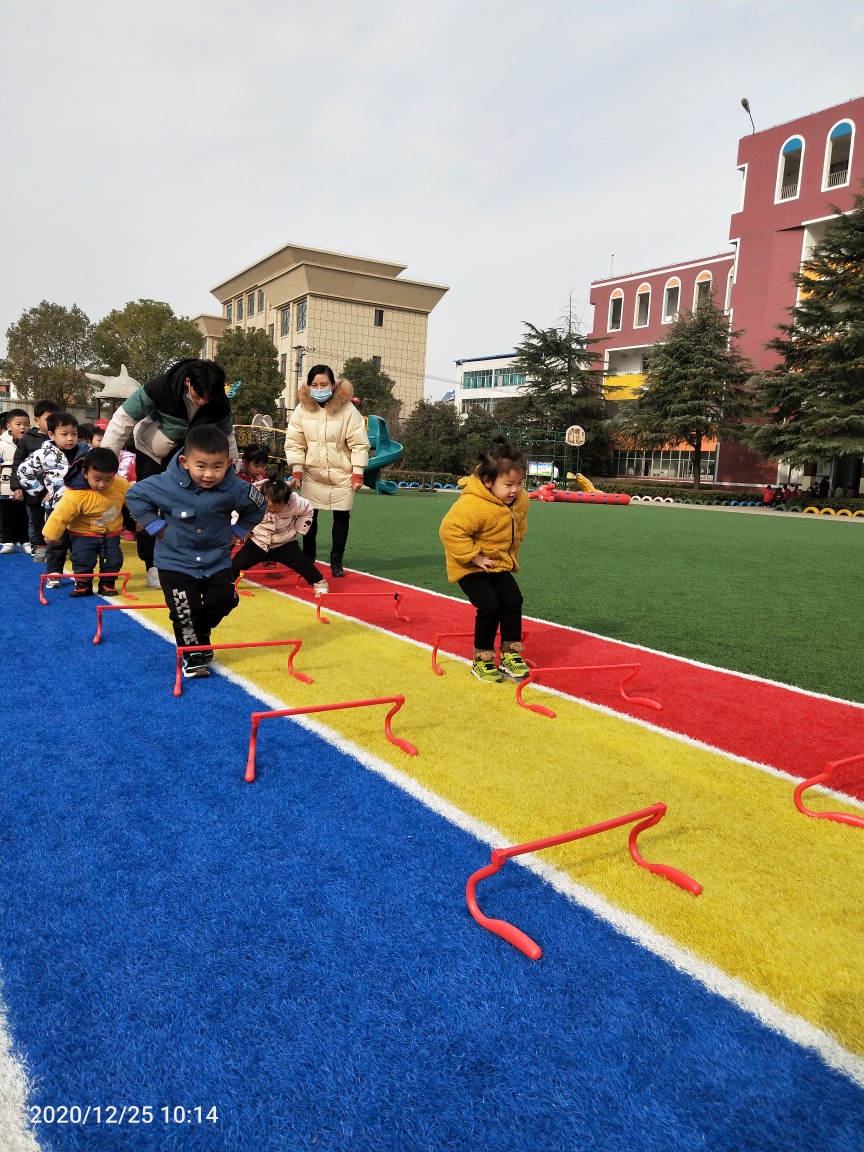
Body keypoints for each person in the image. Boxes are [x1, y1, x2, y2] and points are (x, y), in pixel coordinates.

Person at [126, 424, 266, 679]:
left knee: (223, 600)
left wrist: (237, 533)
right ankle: (193, 654)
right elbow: (134, 495)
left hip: (216, 561)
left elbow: (257, 507)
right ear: (185, 462)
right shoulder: (166, 484)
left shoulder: (235, 488)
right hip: (174, 562)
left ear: (229, 463)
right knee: (184, 612)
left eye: (217, 467)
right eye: (201, 466)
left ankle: (200, 634)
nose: (209, 474)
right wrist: (158, 528)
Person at [100, 359, 238, 589]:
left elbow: (227, 435)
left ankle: (187, 561)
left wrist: (232, 469)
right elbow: (123, 419)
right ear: (187, 382)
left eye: (209, 398)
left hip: (190, 459)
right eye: (198, 395)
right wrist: (106, 459)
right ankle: (152, 566)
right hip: (152, 452)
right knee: (149, 506)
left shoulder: (218, 401)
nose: (203, 402)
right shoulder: (159, 387)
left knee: (188, 507)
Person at [439, 436, 531, 684]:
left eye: (520, 483)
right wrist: (474, 556)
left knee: (512, 599)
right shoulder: (473, 504)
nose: (515, 490)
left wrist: (515, 544)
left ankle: (511, 654)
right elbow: (449, 530)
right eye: (508, 484)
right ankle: (482, 659)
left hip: (497, 562)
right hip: (469, 565)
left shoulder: (520, 499)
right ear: (488, 482)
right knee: (490, 606)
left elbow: (520, 522)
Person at [284, 365, 369, 579]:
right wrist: (297, 470)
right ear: (308, 386)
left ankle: (336, 559)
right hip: (313, 472)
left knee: (341, 515)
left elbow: (359, 443)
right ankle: (308, 555)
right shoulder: (302, 410)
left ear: (333, 385)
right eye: (315, 385)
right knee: (309, 514)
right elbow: (295, 442)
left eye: (324, 384)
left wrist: (358, 472)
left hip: (342, 473)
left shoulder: (348, 410)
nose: (319, 389)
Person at [42, 448, 131, 597]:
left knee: (113, 559)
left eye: (108, 480)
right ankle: (83, 584)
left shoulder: (122, 486)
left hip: (111, 533)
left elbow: (135, 503)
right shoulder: (75, 494)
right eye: (97, 479)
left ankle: (108, 584)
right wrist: (51, 535)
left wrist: (141, 520)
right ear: (85, 473)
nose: (102, 485)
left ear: (114, 475)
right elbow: (61, 515)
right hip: (83, 534)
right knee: (82, 559)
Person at [17, 413, 89, 585]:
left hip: (83, 508)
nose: (70, 438)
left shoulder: (87, 452)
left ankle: (81, 576)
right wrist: (41, 492)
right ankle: (54, 573)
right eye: (64, 434)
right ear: (51, 434)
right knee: (56, 542)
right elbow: (23, 472)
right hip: (56, 507)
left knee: (82, 544)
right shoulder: (43, 454)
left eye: (74, 433)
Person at [231, 474, 328, 596]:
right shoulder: (251, 499)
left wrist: (299, 528)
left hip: (285, 542)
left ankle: (320, 583)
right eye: (268, 508)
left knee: (303, 564)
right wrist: (244, 529)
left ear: (287, 501)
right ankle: (225, 583)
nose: (271, 510)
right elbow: (237, 512)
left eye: (276, 509)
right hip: (259, 541)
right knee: (236, 563)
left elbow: (308, 510)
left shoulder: (295, 502)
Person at [10, 398, 60, 561]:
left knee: (57, 518)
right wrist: (17, 486)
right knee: (37, 519)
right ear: (37, 420)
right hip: (35, 490)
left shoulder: (60, 438)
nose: (53, 423)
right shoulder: (27, 440)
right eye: (49, 419)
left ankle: (58, 547)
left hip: (56, 489)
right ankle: (40, 547)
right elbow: (18, 464)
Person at [0, 408, 31, 553]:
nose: (22, 427)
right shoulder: (2, 444)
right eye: (18, 424)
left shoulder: (31, 443)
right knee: (7, 516)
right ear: (9, 426)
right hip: (5, 488)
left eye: (26, 424)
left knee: (24, 515)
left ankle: (25, 541)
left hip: (26, 487)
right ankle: (8, 542)